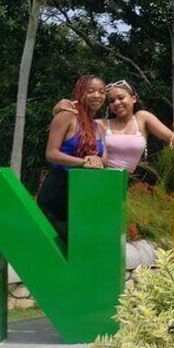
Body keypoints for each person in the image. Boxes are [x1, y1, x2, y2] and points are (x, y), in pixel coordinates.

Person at [37, 75, 107, 240]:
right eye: (90, 91)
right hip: (59, 191)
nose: (97, 95)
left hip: (85, 195)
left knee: (81, 245)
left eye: (102, 92)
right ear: (80, 92)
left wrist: (96, 160)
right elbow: (51, 153)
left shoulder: (100, 127)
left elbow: (105, 159)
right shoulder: (66, 116)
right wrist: (84, 162)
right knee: (60, 246)